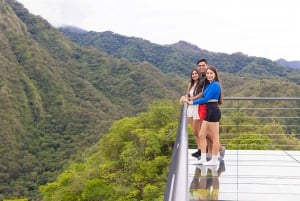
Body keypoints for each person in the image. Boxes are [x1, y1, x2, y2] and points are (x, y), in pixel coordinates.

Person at [184, 65, 223, 165]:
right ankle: (203, 158)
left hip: (213, 111)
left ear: (215, 75)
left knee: (215, 138)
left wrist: (192, 102)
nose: (209, 75)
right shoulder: (209, 85)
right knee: (201, 135)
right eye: (208, 73)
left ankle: (214, 160)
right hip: (208, 111)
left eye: (211, 73)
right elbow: (203, 95)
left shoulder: (215, 84)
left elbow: (206, 98)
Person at [179, 68, 203, 146]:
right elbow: (188, 95)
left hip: (197, 106)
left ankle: (203, 149)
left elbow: (202, 94)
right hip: (190, 108)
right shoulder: (191, 84)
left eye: (196, 73)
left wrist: (191, 99)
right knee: (194, 132)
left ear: (199, 74)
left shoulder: (201, 84)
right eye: (193, 74)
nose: (194, 75)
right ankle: (199, 149)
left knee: (198, 131)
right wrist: (184, 97)